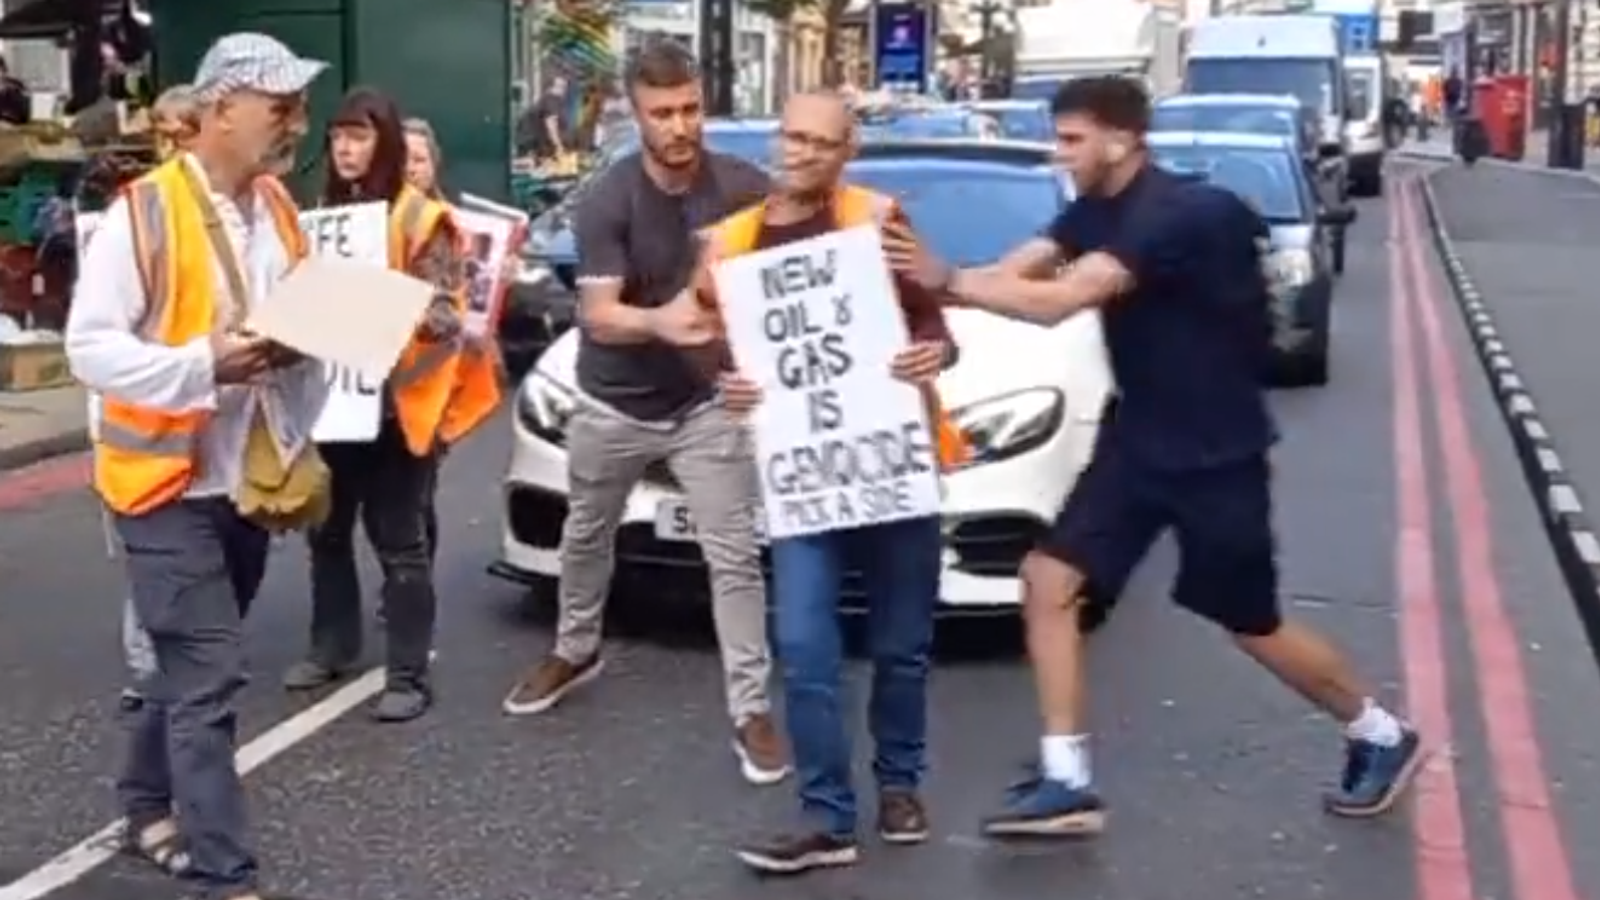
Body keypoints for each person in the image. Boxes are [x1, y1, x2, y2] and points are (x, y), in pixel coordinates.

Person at [882, 76, 1422, 835]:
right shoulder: (1096, 204)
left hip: (1215, 452)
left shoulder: (1178, 215)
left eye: (1072, 140)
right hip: (1140, 442)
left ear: (1123, 138)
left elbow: (1066, 299)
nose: (1060, 154)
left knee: (1250, 622)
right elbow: (1021, 271)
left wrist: (952, 280)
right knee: (1047, 579)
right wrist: (920, 284)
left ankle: (1379, 732)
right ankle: (1068, 781)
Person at [662, 91, 960, 873]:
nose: (799, 152)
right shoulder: (733, 241)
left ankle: (899, 783)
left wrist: (933, 352)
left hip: (890, 467)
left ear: (846, 150)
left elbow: (935, 323)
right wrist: (725, 379)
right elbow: (700, 334)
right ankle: (828, 816)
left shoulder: (877, 218)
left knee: (901, 645)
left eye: (819, 143)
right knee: (802, 643)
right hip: (803, 477)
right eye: (790, 136)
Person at [65, 32, 329, 900]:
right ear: (220, 110)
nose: (296, 123)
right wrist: (198, 366)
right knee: (210, 679)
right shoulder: (140, 214)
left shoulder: (280, 209)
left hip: (247, 483)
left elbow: (307, 315)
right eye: (278, 106)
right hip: (164, 487)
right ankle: (228, 876)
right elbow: (89, 350)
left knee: (177, 670)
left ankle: (143, 807)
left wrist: (349, 334)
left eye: (297, 105)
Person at [498, 39, 788, 786]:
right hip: (613, 401)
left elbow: (799, 256)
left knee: (734, 556)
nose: (680, 126)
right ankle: (574, 648)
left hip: (705, 404)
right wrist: (664, 321)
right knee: (586, 534)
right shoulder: (610, 197)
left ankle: (750, 709)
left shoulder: (745, 186)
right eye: (663, 113)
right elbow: (598, 316)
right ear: (637, 113)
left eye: (691, 108)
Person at [280, 87, 469, 723]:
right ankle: (332, 646)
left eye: (358, 136)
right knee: (326, 533)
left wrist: (380, 298)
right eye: (336, 136)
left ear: (383, 143)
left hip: (398, 408)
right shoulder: (321, 216)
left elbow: (447, 316)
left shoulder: (421, 219)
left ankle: (409, 677)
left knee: (400, 542)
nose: (344, 148)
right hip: (335, 403)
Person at [117, 83, 207, 713]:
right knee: (149, 571)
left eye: (182, 128)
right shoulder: (140, 208)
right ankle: (150, 672)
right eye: (162, 128)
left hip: (203, 428)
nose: (171, 140)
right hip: (144, 431)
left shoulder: (222, 208)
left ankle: (174, 669)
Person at [399, 116, 505, 567]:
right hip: (391, 379)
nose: (411, 168)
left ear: (435, 165)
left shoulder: (457, 227)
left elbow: (475, 312)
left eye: (420, 159)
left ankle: (413, 579)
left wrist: (502, 280)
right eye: (403, 159)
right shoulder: (381, 221)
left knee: (418, 488)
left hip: (439, 377)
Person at [516, 75, 568, 162]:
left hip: (531, 141)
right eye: (560, 86)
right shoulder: (552, 98)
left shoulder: (548, 99)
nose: (563, 90)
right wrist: (559, 146)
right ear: (550, 87)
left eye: (564, 87)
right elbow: (551, 124)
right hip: (531, 142)